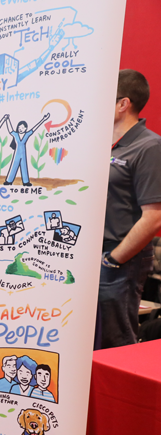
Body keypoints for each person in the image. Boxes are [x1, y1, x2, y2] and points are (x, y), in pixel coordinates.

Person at [100, 69, 161, 349]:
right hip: (94, 259)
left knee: (114, 343)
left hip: (119, 262)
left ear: (123, 104)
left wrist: (114, 259)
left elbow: (154, 217)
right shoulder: (104, 146)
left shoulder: (149, 147)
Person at [4, 113, 50, 187]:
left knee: (24, 167)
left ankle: (26, 182)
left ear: (25, 129)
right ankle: (9, 181)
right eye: (19, 127)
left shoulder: (27, 135)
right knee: (14, 166)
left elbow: (34, 128)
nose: (20, 129)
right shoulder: (15, 135)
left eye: (22, 128)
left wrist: (43, 119)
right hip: (17, 154)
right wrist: (7, 119)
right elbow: (10, 130)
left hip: (23, 154)